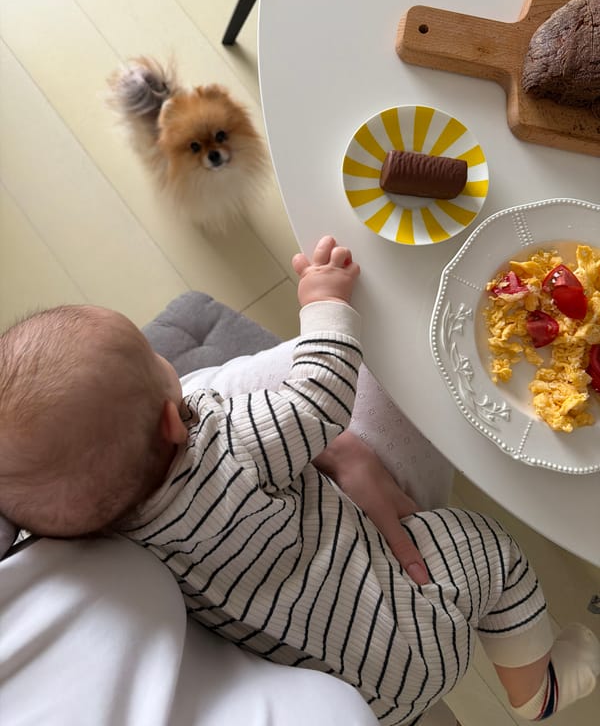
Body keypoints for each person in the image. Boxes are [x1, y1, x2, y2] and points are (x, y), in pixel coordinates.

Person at [0, 235, 598, 725]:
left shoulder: (112, 539)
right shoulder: (230, 445)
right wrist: (323, 301)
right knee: (485, 548)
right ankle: (534, 690)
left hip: (362, 697)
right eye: (157, 360)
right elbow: (320, 396)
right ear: (170, 421)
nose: (169, 362)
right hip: (416, 617)